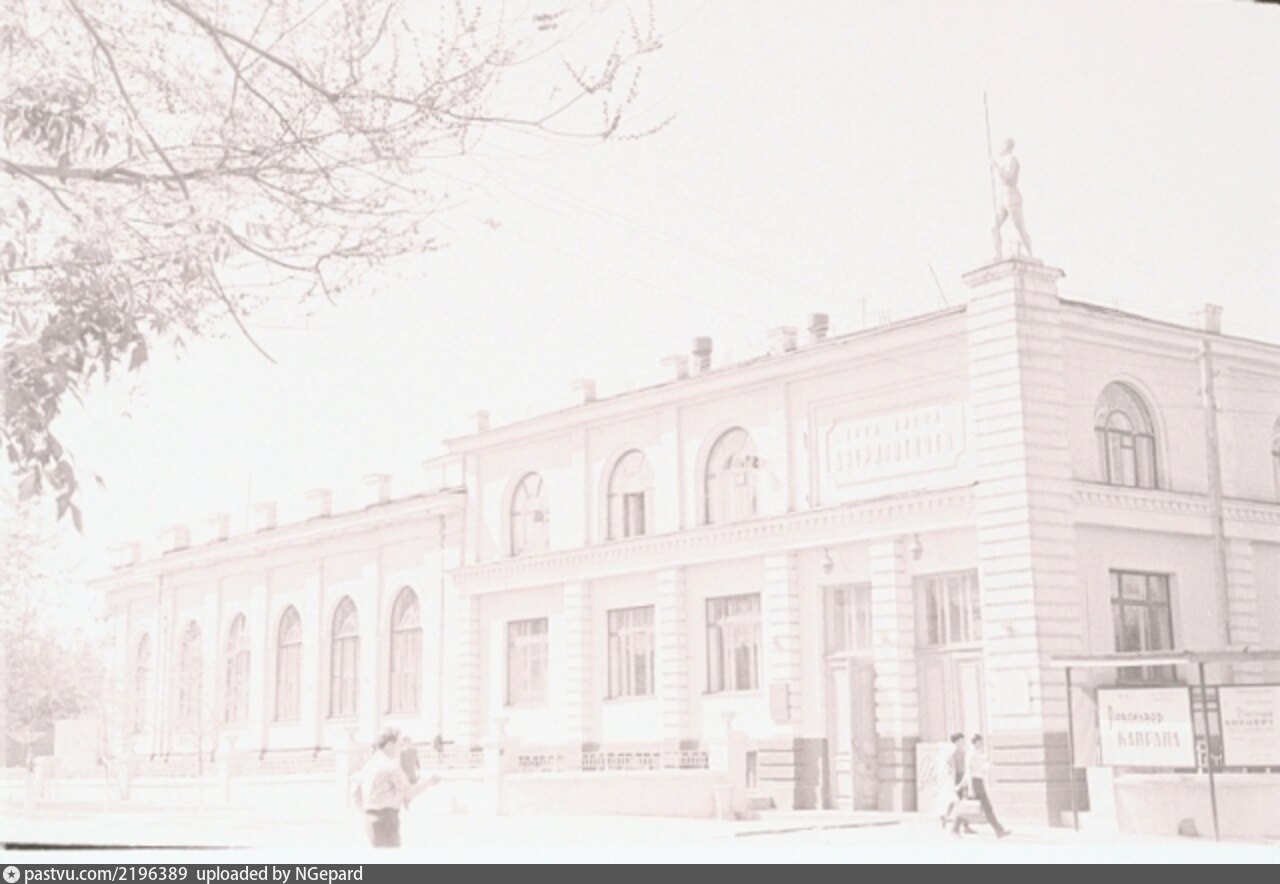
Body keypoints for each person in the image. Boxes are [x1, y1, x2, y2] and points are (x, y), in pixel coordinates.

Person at [351, 726, 440, 848]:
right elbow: (409, 793)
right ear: (389, 744)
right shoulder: (390, 767)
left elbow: (355, 794)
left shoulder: (368, 765)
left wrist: (369, 810)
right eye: (398, 743)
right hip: (386, 820)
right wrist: (429, 782)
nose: (400, 747)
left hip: (370, 820)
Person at [955, 734, 1011, 838]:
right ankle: (998, 830)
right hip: (975, 783)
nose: (982, 744)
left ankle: (999, 831)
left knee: (983, 807)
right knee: (971, 807)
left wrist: (985, 768)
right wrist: (970, 788)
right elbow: (969, 772)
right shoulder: (971, 754)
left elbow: (977, 770)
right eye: (980, 741)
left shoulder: (977, 753)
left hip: (978, 782)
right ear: (976, 742)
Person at [990, 137, 1033, 259]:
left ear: (1006, 146)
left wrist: (997, 167)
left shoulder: (1011, 159)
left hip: (1011, 195)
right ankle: (998, 254)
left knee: (1018, 225)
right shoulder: (1005, 161)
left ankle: (1030, 253)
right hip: (1003, 196)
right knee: (994, 228)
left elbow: (1008, 177)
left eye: (1001, 145)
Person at [938, 732, 975, 833]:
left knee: (958, 802)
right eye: (961, 740)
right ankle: (965, 826)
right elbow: (949, 766)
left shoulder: (964, 751)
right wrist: (952, 778)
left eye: (963, 740)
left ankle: (945, 817)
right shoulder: (953, 753)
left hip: (963, 777)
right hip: (957, 779)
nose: (963, 741)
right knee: (960, 802)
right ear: (956, 741)